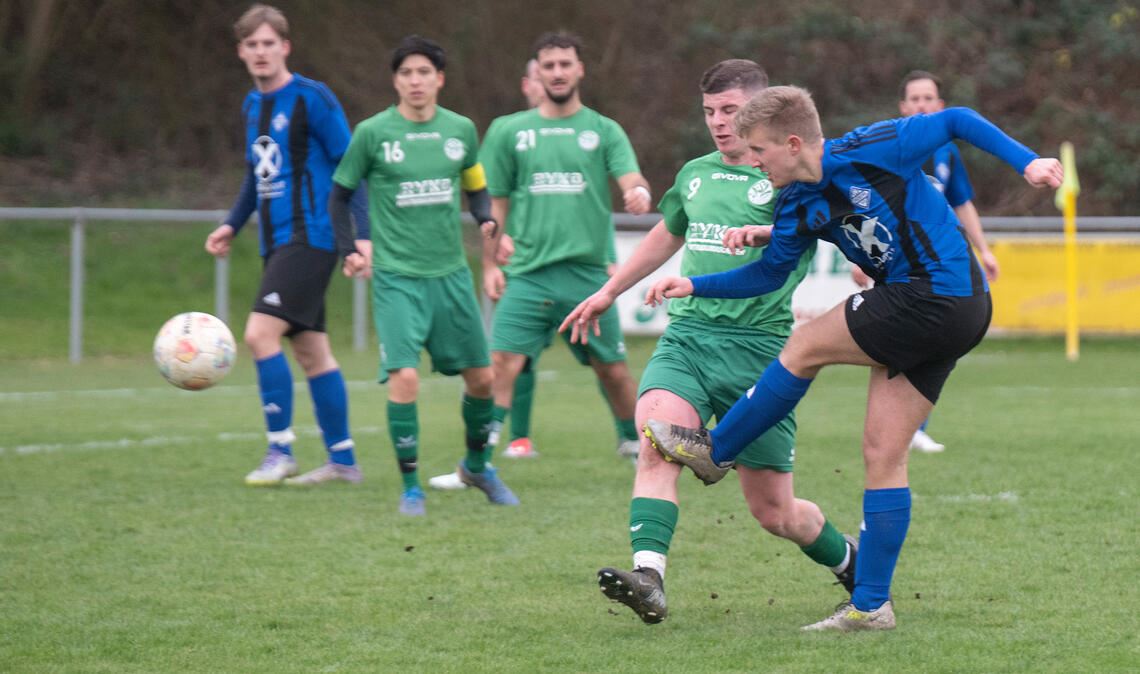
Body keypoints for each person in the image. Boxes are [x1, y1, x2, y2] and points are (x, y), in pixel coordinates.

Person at [643, 86, 1062, 631]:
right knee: (882, 454)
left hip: (940, 292)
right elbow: (768, 273)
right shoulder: (795, 201)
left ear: (793, 143)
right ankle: (871, 606)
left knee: (803, 346)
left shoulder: (875, 145)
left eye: (760, 151)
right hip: (943, 310)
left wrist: (1027, 162)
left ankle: (718, 450)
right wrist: (693, 284)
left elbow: (957, 118)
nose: (753, 161)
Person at [558, 60, 858, 625]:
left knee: (775, 512)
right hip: (689, 339)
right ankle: (649, 578)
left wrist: (867, 275)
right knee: (656, 441)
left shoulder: (792, 178)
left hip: (761, 352)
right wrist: (609, 291)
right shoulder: (695, 173)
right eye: (710, 112)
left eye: (730, 111)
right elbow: (667, 232)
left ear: (761, 110)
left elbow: (838, 226)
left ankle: (851, 565)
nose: (720, 123)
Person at [330, 35, 519, 515]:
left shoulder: (460, 130)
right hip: (397, 277)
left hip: (451, 276)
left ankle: (477, 466)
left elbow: (477, 189)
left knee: (482, 378)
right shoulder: (373, 133)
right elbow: (339, 193)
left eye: (424, 72)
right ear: (396, 81)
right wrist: (347, 247)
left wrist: (485, 218)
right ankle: (411, 485)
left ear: (440, 79)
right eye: (406, 73)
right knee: (405, 378)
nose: (415, 81)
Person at [206, 4, 369, 487]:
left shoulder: (312, 98)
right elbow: (256, 176)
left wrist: (361, 236)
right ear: (241, 51)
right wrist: (231, 224)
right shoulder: (251, 106)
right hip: (277, 243)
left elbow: (352, 166)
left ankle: (280, 450)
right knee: (313, 352)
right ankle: (343, 461)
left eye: (268, 43)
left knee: (259, 334)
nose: (260, 52)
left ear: (285, 46)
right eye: (251, 45)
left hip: (313, 236)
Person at [478, 31, 651, 463]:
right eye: (548, 66)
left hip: (589, 277)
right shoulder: (508, 131)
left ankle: (633, 441)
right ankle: (478, 456)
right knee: (502, 363)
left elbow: (631, 179)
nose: (557, 72)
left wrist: (638, 194)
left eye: (564, 64)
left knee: (611, 369)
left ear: (579, 70)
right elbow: (493, 203)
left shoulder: (603, 130)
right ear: (538, 72)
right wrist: (489, 265)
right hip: (529, 274)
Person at [897, 69, 999, 453]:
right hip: (895, 260)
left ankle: (915, 426)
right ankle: (899, 426)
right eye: (915, 99)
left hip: (938, 262)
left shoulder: (946, 150)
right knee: (901, 342)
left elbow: (961, 202)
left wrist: (983, 249)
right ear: (903, 106)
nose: (922, 104)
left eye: (929, 98)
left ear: (940, 106)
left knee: (938, 340)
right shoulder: (888, 146)